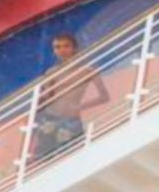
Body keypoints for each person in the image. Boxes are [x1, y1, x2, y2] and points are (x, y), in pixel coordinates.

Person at [30, 32, 109, 162]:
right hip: (51, 117)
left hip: (71, 118)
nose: (62, 50)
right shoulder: (52, 72)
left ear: (74, 48)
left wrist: (80, 106)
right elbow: (47, 98)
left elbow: (104, 96)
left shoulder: (88, 71)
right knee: (43, 157)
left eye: (66, 46)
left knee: (74, 156)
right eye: (57, 47)